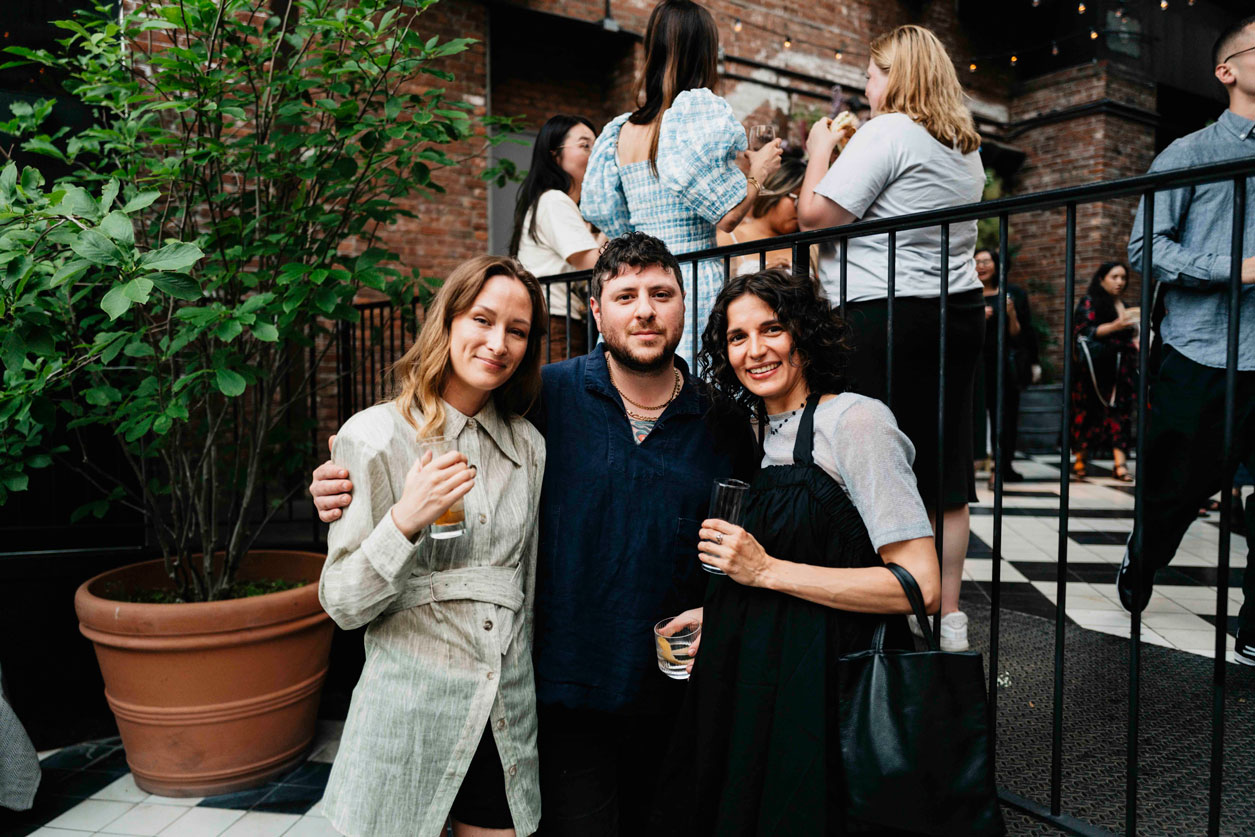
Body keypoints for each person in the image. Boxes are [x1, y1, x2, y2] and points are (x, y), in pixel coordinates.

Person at [310, 232, 759, 834]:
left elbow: (750, 545)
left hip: (664, 698)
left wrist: (722, 612)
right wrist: (352, 480)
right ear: (596, 311)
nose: (645, 310)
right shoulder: (551, 399)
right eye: (625, 295)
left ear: (685, 303)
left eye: (661, 293)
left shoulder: (720, 423)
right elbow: (413, 432)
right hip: (550, 694)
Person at [652, 269, 940, 833]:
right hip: (763, 679)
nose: (755, 350)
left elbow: (919, 586)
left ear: (803, 334)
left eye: (773, 329)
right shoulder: (758, 431)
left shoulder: (857, 422)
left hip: (831, 685)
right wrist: (721, 611)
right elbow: (801, 559)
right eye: (738, 337)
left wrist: (764, 570)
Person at [317, 256, 548, 837]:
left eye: (516, 331)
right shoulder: (371, 435)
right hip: (408, 706)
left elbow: (530, 587)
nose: (498, 343)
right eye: (482, 319)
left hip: (504, 707)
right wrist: (404, 520)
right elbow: (342, 604)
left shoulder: (528, 446)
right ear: (446, 322)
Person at [797, 24, 985, 652]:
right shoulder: (965, 145)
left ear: (897, 75)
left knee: (872, 457)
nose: (867, 84)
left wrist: (820, 145)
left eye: (873, 73)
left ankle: (881, 608)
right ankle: (949, 618)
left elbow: (815, 217)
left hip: (885, 313)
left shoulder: (889, 131)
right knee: (944, 469)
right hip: (955, 312)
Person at [1120, 14, 1255, 669]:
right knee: (1174, 492)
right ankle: (1142, 555)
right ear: (1225, 71)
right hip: (1201, 350)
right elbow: (1145, 247)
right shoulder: (1189, 153)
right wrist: (1236, 266)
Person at [580, 0, 782, 366]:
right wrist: (761, 171)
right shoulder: (694, 116)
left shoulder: (620, 131)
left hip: (640, 277)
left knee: (647, 382)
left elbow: (611, 216)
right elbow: (728, 217)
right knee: (702, 387)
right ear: (704, 51)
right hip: (691, 275)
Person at [509, 114, 606, 361]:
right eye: (585, 146)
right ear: (554, 153)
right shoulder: (554, 200)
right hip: (555, 322)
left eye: (596, 146)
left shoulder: (563, 204)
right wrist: (615, 220)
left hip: (560, 321)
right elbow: (592, 264)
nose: (594, 154)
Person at [973, 248, 1039, 485]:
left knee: (1005, 416)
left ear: (997, 264)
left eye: (986, 261)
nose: (981, 266)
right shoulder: (967, 293)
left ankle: (1001, 467)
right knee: (974, 414)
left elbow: (1021, 335)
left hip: (1004, 365)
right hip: (974, 365)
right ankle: (973, 464)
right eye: (977, 261)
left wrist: (1010, 315)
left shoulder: (1014, 294)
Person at [1069, 261, 1139, 481]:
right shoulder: (1089, 302)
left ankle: (1120, 464)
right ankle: (1080, 458)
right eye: (1114, 277)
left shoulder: (1124, 304)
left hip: (1120, 369)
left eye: (1123, 278)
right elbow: (1084, 331)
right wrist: (1116, 326)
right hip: (1094, 370)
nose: (1120, 282)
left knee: (1120, 413)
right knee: (1088, 411)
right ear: (1102, 279)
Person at [715, 156, 806, 274]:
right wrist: (759, 279)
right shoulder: (730, 238)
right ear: (776, 190)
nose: (800, 207)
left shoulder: (807, 243)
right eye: (797, 197)